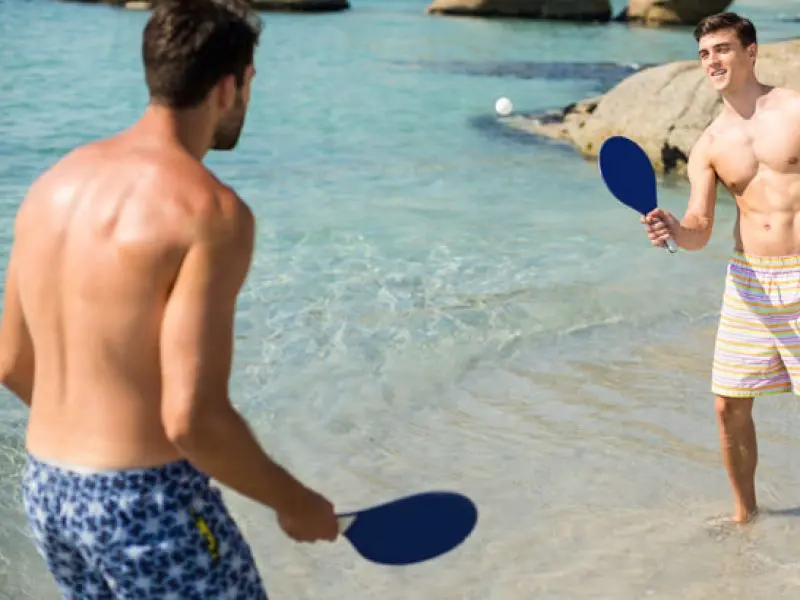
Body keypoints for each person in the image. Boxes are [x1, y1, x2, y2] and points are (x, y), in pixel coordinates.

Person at [0, 0, 340, 597]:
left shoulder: (52, 185)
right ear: (231, 85)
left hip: (49, 493)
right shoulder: (210, 212)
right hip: (144, 506)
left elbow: (9, 363)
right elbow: (192, 418)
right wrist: (294, 501)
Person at [643, 11, 800, 524]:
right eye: (705, 53)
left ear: (751, 52)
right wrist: (672, 226)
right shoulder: (709, 143)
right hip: (749, 281)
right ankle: (745, 518)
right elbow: (700, 228)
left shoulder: (795, 110)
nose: (712, 60)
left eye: (723, 49)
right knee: (728, 404)